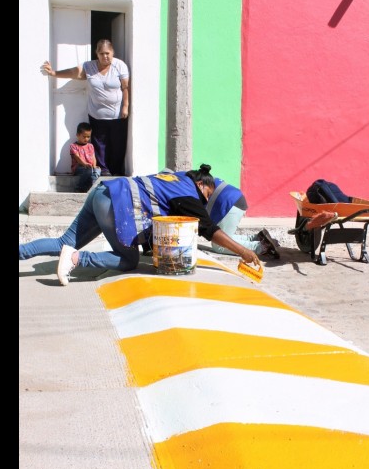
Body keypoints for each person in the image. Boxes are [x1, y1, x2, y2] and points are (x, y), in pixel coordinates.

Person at [18, 164, 261, 285]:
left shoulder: (174, 177)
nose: (204, 202)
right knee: (128, 260)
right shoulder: (189, 195)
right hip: (115, 205)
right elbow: (210, 230)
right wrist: (243, 251)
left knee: (62, 241)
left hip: (103, 191)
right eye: (207, 195)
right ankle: (76, 259)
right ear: (201, 185)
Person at [41, 39, 130, 176]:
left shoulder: (120, 65)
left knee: (117, 144)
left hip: (117, 115)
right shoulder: (89, 67)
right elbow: (73, 73)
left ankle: (117, 171)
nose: (105, 56)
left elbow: (125, 87)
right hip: (97, 114)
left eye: (107, 53)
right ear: (96, 53)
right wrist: (54, 73)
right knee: (99, 145)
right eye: (101, 53)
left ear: (112, 52)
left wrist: (125, 106)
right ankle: (103, 170)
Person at [201, 177, 281, 259]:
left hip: (230, 204)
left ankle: (262, 247)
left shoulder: (196, 188)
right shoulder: (202, 178)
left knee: (219, 245)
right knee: (224, 236)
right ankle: (256, 238)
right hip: (235, 200)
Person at [70, 122, 106, 193]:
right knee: (88, 170)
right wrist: (85, 164)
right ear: (78, 135)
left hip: (90, 167)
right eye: (84, 137)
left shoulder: (90, 146)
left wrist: (94, 166)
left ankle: (92, 186)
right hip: (79, 167)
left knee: (98, 170)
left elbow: (93, 157)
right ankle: (79, 187)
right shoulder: (73, 146)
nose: (86, 139)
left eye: (88, 137)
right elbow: (77, 158)